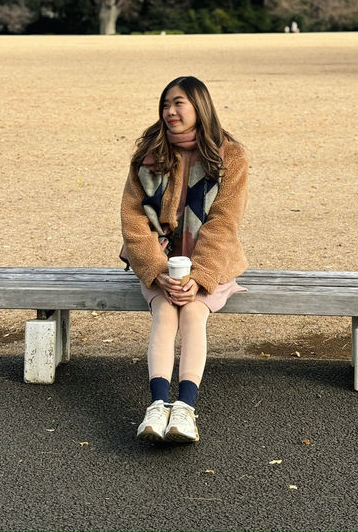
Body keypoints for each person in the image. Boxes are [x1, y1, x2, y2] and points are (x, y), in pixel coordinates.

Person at [120, 76, 249, 443]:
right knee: (164, 311)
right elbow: (132, 217)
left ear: (199, 106)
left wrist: (202, 275)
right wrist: (156, 270)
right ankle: (157, 406)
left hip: (212, 262)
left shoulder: (230, 156)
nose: (170, 111)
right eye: (165, 104)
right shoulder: (150, 154)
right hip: (160, 263)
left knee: (193, 312)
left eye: (179, 103)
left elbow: (224, 220)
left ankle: (185, 410)